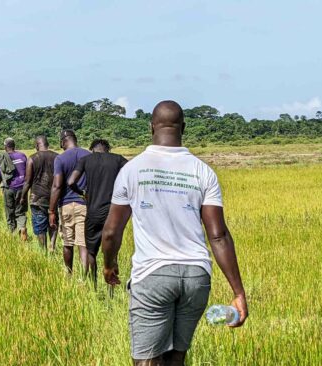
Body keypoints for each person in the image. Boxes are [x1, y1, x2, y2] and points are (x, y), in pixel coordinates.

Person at [101, 100, 248, 365]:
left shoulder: (132, 170)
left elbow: (112, 231)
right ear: (184, 127)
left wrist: (109, 265)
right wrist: (238, 292)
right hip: (196, 277)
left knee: (146, 360)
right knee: (176, 357)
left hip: (152, 274)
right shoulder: (203, 172)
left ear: (151, 127)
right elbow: (218, 235)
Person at [67, 139, 127, 288]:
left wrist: (82, 193)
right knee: (112, 252)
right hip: (112, 213)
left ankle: (93, 285)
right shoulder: (118, 159)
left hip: (93, 212)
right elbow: (133, 174)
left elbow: (70, 181)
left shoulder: (86, 160)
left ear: (92, 149)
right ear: (108, 149)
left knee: (91, 252)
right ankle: (111, 288)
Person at [49, 130, 90, 274]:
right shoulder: (88, 155)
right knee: (83, 243)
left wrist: (51, 210)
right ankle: (84, 278)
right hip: (84, 204)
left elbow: (57, 185)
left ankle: (69, 274)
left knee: (68, 242)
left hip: (66, 204)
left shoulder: (60, 159)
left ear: (63, 141)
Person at [19, 136, 59, 252]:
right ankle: (52, 245)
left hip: (37, 198)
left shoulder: (32, 158)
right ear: (48, 144)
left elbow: (27, 181)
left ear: (37, 145)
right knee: (53, 222)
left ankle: (43, 249)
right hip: (53, 197)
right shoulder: (57, 157)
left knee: (40, 225)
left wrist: (22, 196)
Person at [0, 138, 28, 241]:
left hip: (8, 187)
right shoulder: (22, 156)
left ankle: (12, 232)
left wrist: (3, 184)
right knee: (20, 211)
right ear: (14, 146)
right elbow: (28, 171)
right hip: (22, 188)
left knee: (9, 211)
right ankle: (22, 227)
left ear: (5, 147)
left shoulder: (2, 157)